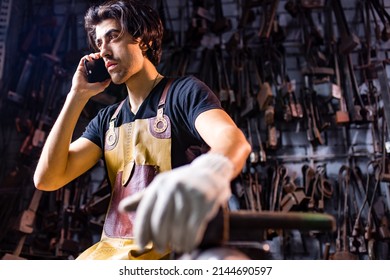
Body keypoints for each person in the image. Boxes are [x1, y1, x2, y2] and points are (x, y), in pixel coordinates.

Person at [33, 0, 251, 260]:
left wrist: (209, 174)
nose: (103, 51)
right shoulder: (108, 120)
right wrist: (76, 96)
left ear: (144, 39)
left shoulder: (183, 93)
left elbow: (233, 141)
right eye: (99, 43)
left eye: (113, 37)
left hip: (172, 256)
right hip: (110, 258)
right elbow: (47, 178)